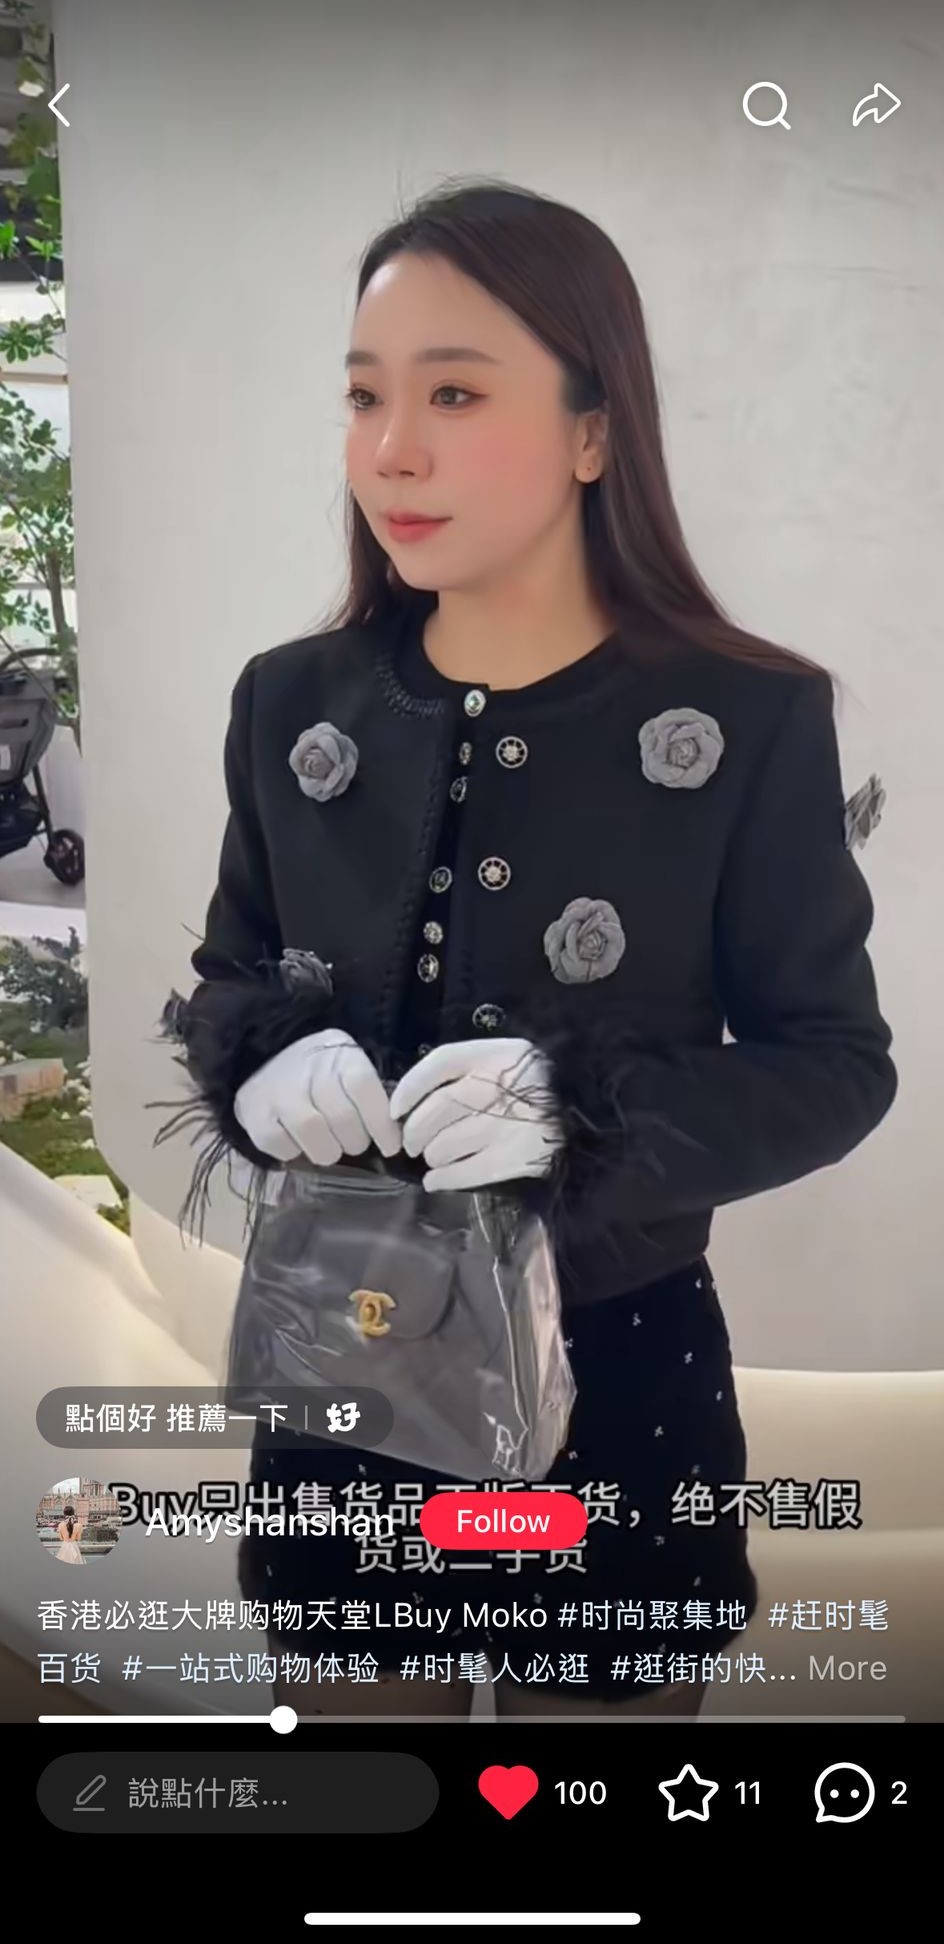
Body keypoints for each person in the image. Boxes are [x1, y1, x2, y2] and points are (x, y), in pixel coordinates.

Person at [158, 178, 896, 1719]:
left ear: (592, 430)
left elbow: (835, 1066)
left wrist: (587, 1118)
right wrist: (256, 1061)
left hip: (622, 1375)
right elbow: (234, 969)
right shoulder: (289, 701)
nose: (391, 449)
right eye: (363, 396)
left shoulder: (752, 718)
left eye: (453, 394)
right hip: (340, 1362)